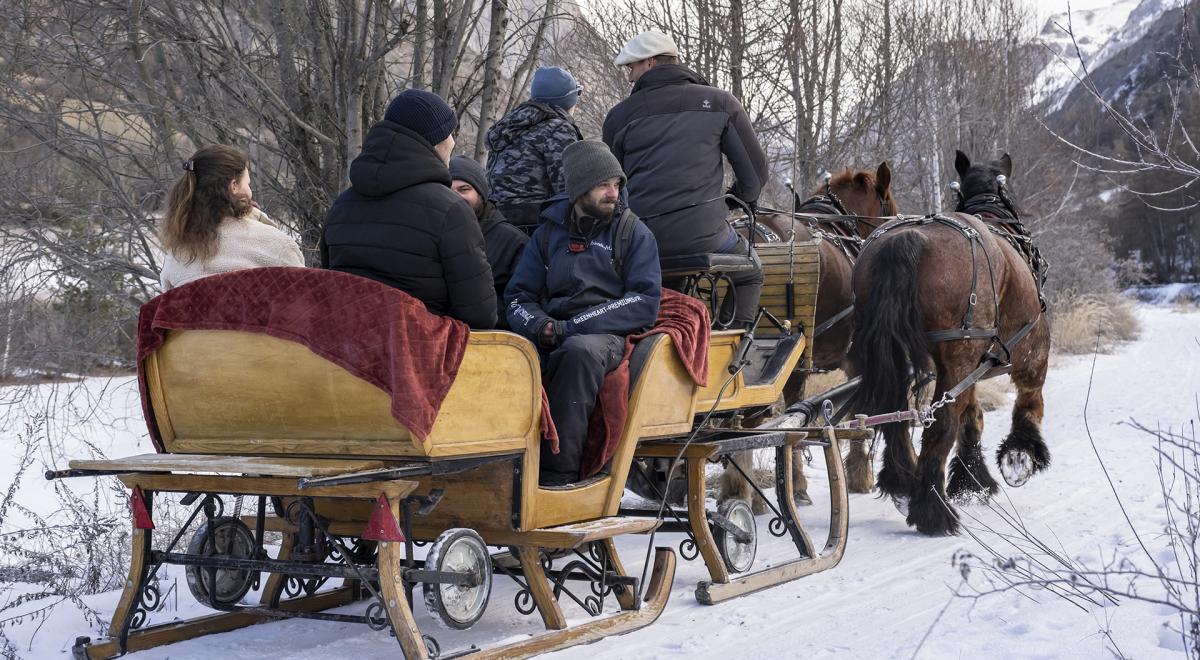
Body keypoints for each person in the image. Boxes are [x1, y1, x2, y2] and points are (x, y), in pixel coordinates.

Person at [505, 141, 661, 486]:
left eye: (617, 184)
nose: (613, 192)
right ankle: (501, 471)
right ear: (578, 188)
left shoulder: (633, 233)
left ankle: (559, 479)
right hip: (552, 327)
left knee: (578, 353)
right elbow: (518, 296)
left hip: (607, 334)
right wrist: (540, 324)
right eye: (603, 184)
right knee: (505, 354)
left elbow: (644, 301)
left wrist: (571, 327)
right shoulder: (547, 234)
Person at [602, 30, 769, 328]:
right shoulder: (721, 103)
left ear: (651, 63)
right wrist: (737, 200)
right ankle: (731, 346)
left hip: (641, 240)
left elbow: (612, 187)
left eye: (632, 67)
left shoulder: (618, 117)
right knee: (752, 269)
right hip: (706, 235)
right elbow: (755, 173)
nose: (629, 77)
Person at [322, 89, 496, 329]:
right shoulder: (451, 211)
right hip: (419, 357)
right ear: (436, 141)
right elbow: (480, 314)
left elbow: (328, 291)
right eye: (449, 133)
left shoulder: (340, 207)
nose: (453, 141)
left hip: (347, 353)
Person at [159, 144, 304, 291]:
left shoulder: (175, 258)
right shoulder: (276, 246)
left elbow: (167, 309)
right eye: (248, 184)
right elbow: (305, 301)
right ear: (234, 186)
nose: (250, 190)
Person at [485, 66, 583, 229]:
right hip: (536, 229)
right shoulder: (559, 129)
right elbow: (569, 190)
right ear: (568, 100)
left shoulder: (511, 124)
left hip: (495, 226)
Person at [448, 155, 528, 328]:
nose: (455, 197)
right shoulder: (432, 234)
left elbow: (522, 302)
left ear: (481, 193)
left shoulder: (513, 242)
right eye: (447, 189)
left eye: (464, 189)